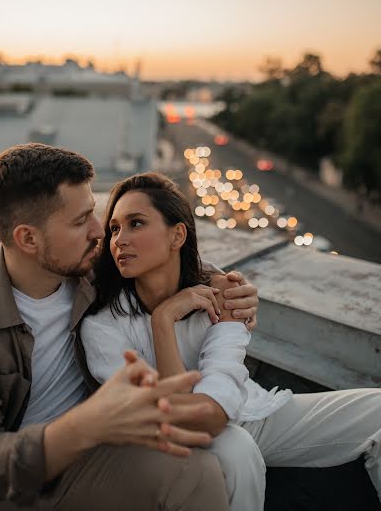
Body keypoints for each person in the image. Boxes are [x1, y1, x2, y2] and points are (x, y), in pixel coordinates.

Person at [81, 172, 381, 511]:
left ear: (177, 234)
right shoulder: (103, 328)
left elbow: (223, 378)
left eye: (136, 223)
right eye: (115, 229)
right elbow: (180, 420)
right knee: (237, 449)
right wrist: (163, 320)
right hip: (181, 438)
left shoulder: (222, 292)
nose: (120, 239)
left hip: (252, 411)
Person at [0, 143, 258, 510]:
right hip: (17, 484)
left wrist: (225, 286)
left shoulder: (86, 267)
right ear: (28, 238)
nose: (100, 233)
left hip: (95, 457)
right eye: (81, 222)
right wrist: (84, 425)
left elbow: (162, 256)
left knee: (199, 472)